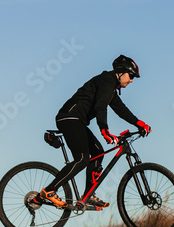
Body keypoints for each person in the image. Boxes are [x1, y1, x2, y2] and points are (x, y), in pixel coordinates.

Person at [39, 55, 151, 209]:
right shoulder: (107, 81)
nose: (131, 80)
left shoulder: (111, 87)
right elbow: (100, 106)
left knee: (98, 153)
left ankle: (88, 195)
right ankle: (49, 190)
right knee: (82, 159)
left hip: (77, 121)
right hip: (69, 118)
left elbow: (121, 109)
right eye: (131, 76)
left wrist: (140, 124)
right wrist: (105, 131)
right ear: (120, 72)